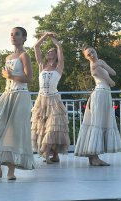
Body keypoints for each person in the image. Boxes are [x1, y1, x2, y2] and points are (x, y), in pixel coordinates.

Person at [0, 27, 36, 180]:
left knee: (14, 133)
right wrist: (8, 77)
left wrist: (11, 75)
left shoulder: (25, 56)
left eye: (17, 34)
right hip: (7, 94)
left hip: (21, 95)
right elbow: (8, 77)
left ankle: (11, 171)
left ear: (24, 38)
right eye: (11, 34)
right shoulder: (8, 57)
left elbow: (29, 78)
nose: (13, 37)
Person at [74, 46, 121, 166]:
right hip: (100, 94)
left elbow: (114, 72)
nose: (92, 55)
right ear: (86, 57)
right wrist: (100, 66)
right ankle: (94, 157)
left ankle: (93, 157)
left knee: (99, 123)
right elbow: (111, 82)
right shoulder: (95, 67)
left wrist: (103, 64)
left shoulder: (99, 64)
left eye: (93, 52)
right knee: (96, 123)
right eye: (88, 54)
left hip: (104, 94)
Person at [31, 32, 70, 164]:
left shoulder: (59, 67)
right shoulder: (41, 65)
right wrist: (45, 35)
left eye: (52, 51)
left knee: (53, 127)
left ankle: (49, 154)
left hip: (54, 100)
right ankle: (53, 155)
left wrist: (53, 38)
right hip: (41, 100)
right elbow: (36, 47)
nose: (49, 52)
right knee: (42, 126)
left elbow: (59, 47)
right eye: (48, 51)